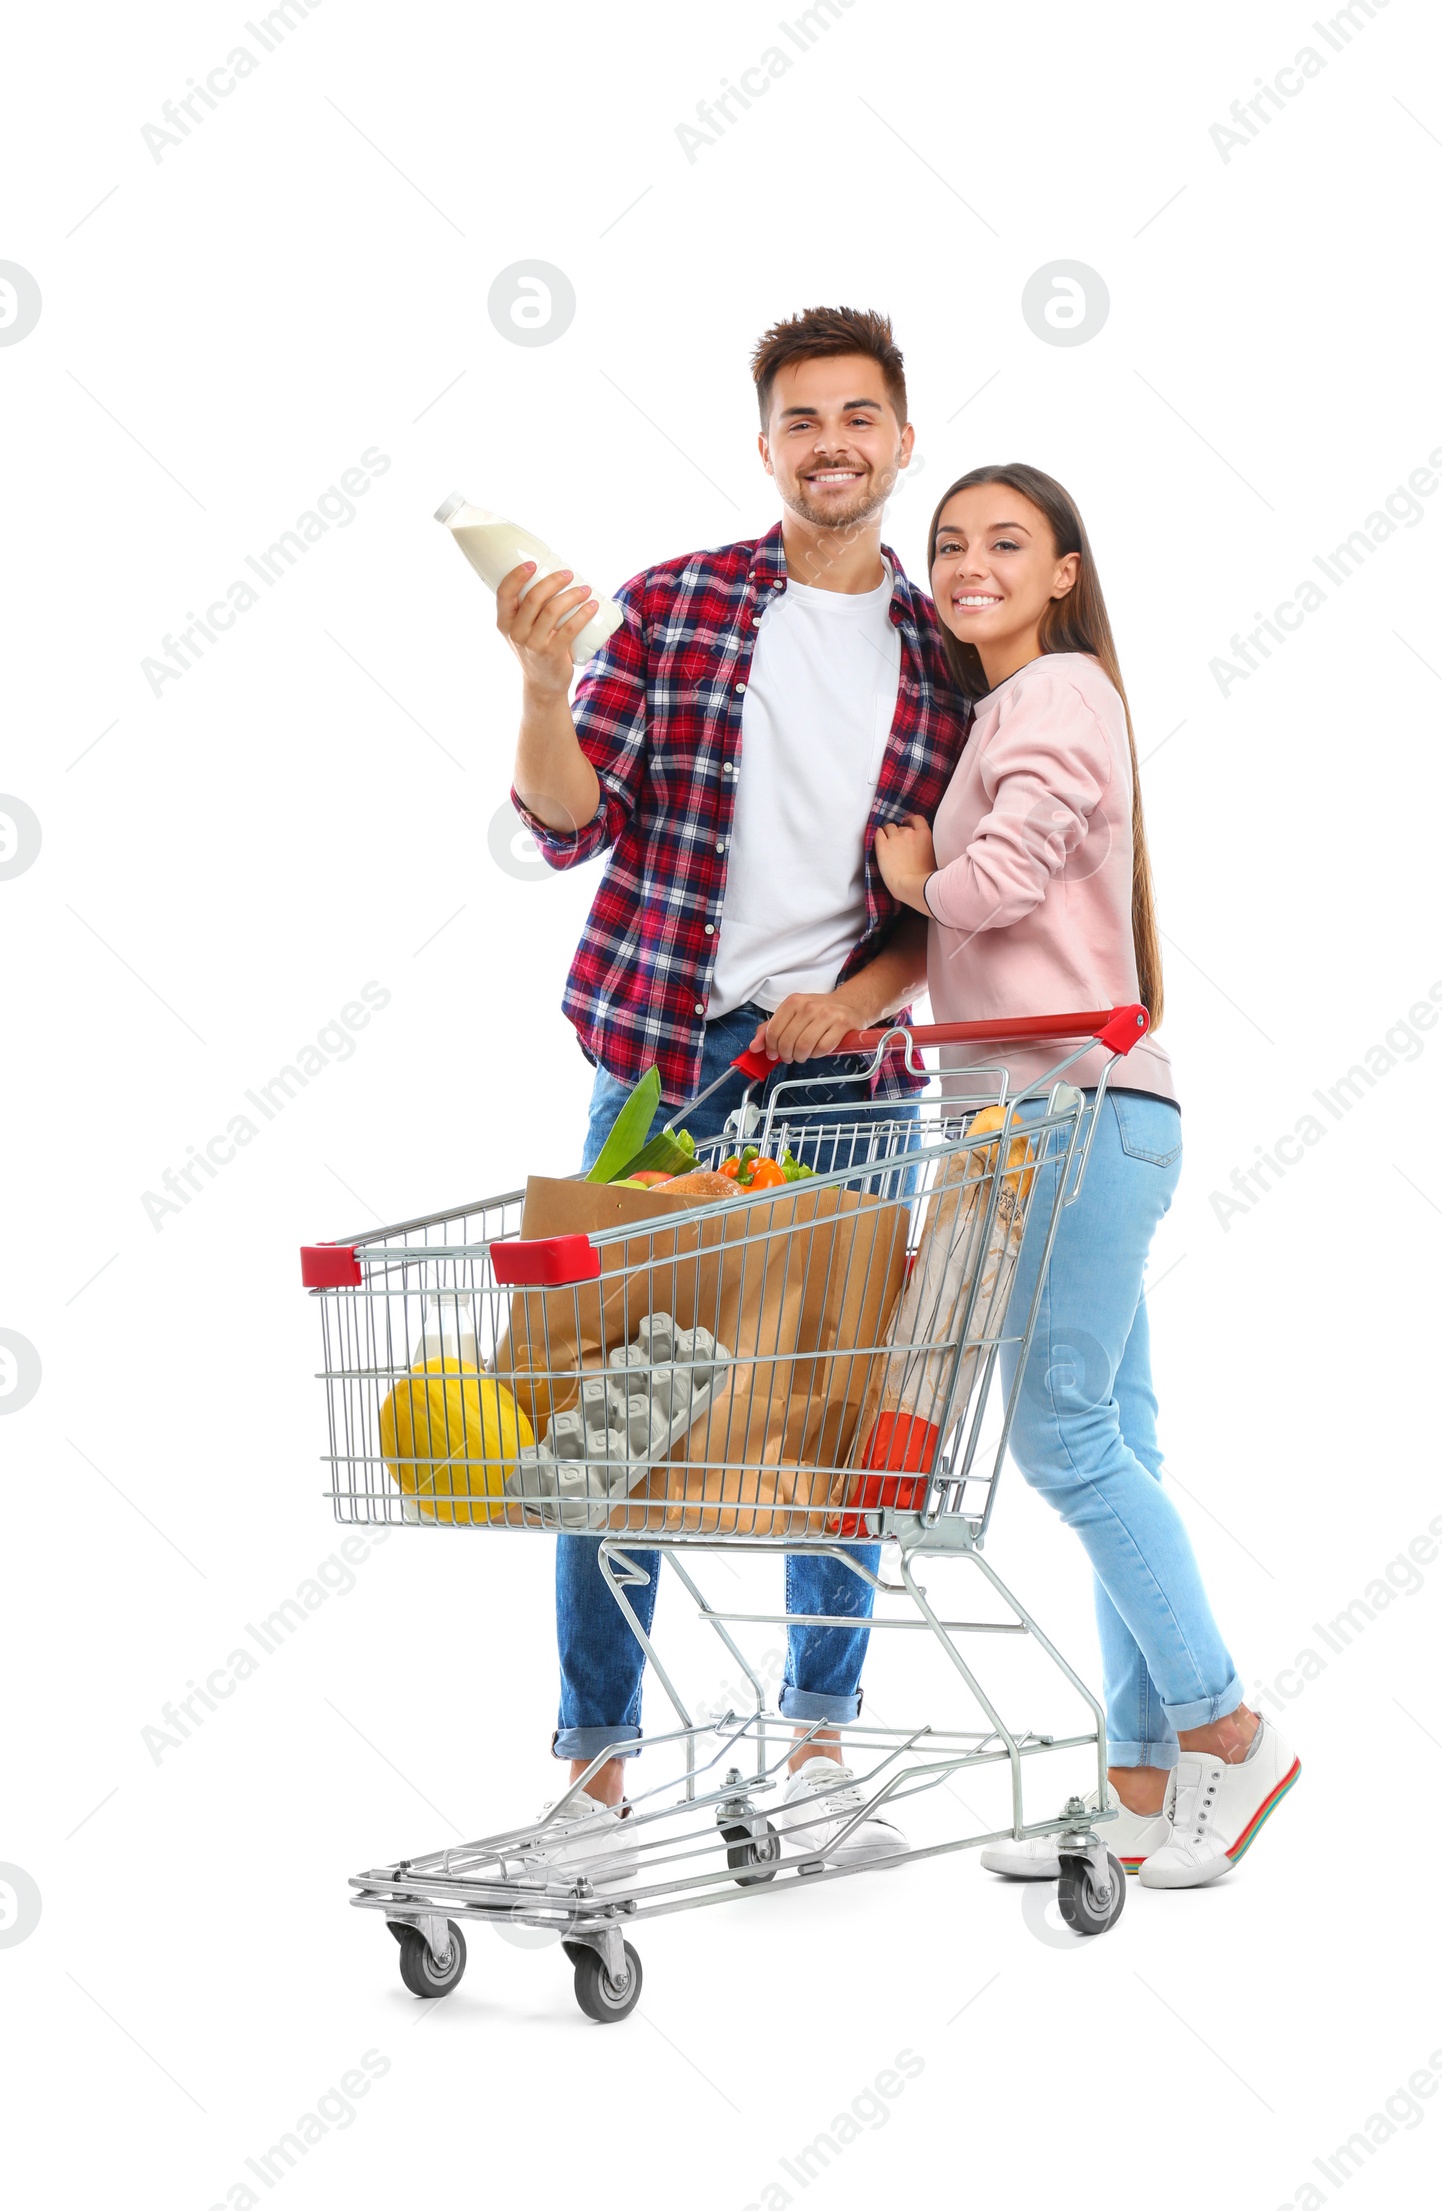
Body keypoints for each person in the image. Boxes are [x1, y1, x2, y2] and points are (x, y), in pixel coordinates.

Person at [503, 307, 969, 1873]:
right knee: (608, 1416)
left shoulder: (946, 661)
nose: (830, 444)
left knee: (833, 1418)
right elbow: (572, 824)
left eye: (858, 418)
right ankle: (597, 1772)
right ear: (764, 444)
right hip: (663, 1056)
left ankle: (820, 1745)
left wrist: (845, 1003)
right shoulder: (680, 606)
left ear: (901, 440)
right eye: (800, 421)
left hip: (845, 1079)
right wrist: (543, 676)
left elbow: (932, 914)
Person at [859, 462, 1301, 1889]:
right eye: (948, 544)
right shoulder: (1012, 705)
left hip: (1076, 1121)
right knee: (1119, 1443)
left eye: (1005, 541)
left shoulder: (1056, 694)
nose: (968, 561)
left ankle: (1229, 1735)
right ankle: (1136, 1784)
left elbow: (995, 882)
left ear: (1064, 570)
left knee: (1063, 1444)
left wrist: (923, 878)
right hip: (1054, 1125)